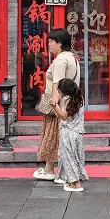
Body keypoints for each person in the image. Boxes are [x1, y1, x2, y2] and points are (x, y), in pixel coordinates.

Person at [34, 28, 80, 182]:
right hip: (66, 102)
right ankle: (50, 168)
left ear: (59, 43)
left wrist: (54, 104)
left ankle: (53, 170)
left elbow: (57, 83)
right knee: (57, 136)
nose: (49, 44)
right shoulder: (72, 57)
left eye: (52, 41)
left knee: (53, 136)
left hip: (58, 104)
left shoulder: (60, 60)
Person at [51, 78, 88, 192]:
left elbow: (64, 116)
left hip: (69, 132)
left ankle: (76, 183)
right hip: (78, 133)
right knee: (76, 157)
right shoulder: (78, 98)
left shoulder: (68, 101)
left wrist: (54, 106)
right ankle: (70, 181)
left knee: (68, 157)